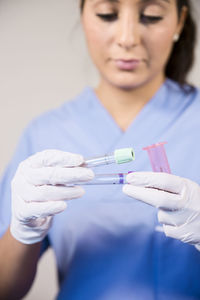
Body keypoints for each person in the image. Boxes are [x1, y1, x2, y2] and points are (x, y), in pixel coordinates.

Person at [0, 0, 200, 299]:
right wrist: (23, 230)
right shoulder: (46, 134)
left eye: (151, 16)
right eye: (107, 14)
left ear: (180, 22)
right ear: (82, 16)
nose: (128, 38)